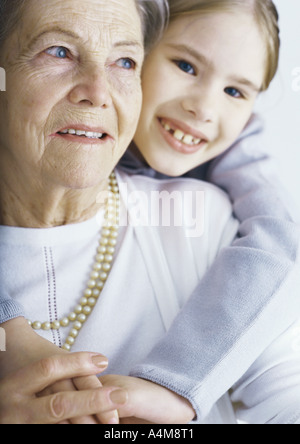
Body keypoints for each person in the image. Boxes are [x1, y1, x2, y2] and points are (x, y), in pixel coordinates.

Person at [1, 0, 300, 425]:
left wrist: (178, 392)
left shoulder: (209, 219)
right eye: (59, 51)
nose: (98, 91)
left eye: (123, 61)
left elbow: (282, 243)